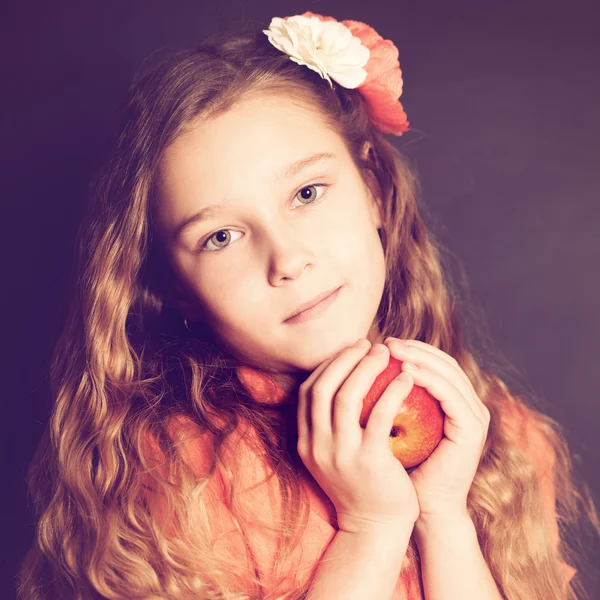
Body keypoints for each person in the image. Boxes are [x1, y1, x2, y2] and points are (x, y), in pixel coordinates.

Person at [17, 10, 599, 600]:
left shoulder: (498, 437)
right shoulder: (176, 478)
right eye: (220, 236)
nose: (288, 259)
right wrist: (372, 528)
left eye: (307, 193)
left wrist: (442, 515)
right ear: (174, 290)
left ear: (372, 191)